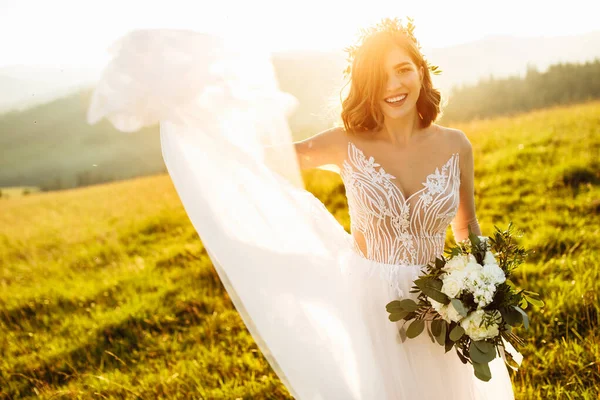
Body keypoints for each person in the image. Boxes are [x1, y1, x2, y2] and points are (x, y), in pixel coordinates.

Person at [88, 18, 518, 399]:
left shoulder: (456, 145)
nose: (394, 85)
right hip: (371, 302)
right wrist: (198, 124)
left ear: (421, 72)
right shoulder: (345, 143)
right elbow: (265, 158)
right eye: (378, 76)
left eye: (403, 69)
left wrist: (484, 284)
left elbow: (467, 225)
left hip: (442, 302)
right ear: (365, 85)